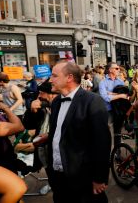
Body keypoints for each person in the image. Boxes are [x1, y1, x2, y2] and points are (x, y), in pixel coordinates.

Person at [47, 61, 111, 203]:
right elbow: (62, 131)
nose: (50, 80)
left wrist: (99, 178)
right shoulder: (57, 101)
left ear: (69, 78)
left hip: (83, 180)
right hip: (59, 178)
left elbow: (102, 143)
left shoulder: (93, 101)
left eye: (54, 76)